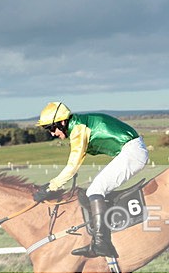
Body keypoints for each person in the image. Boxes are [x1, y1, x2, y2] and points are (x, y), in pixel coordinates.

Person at [34, 101, 149, 258]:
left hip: (132, 152)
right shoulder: (80, 124)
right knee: (95, 188)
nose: (52, 133)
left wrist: (50, 187)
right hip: (130, 150)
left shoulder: (78, 129)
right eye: (48, 130)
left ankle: (102, 243)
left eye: (52, 128)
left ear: (62, 121)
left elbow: (72, 165)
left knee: (96, 190)